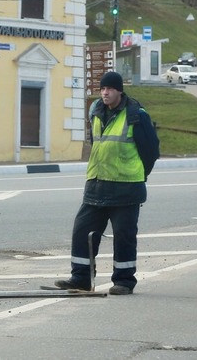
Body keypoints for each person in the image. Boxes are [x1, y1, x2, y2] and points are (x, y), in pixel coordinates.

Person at [55, 71, 159, 296]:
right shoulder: (96, 111)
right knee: (81, 231)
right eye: (102, 89)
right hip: (96, 185)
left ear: (119, 91)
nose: (105, 92)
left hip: (126, 188)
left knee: (124, 236)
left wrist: (139, 174)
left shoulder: (136, 115)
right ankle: (80, 278)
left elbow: (151, 151)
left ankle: (123, 281)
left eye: (109, 89)